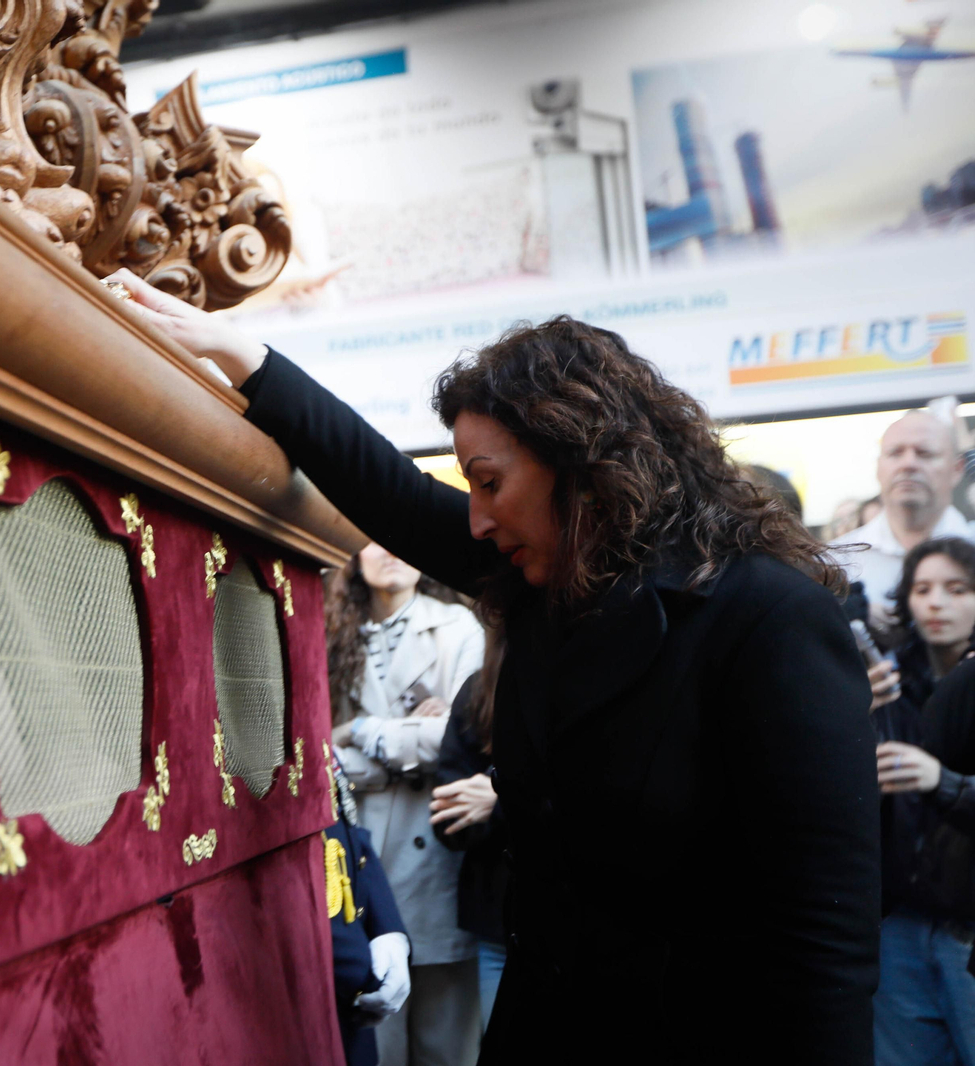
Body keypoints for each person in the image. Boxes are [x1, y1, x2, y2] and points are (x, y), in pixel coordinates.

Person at [109, 270, 879, 1066]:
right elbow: (390, 490)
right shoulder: (547, 582)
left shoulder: (770, 618)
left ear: (579, 463)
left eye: (488, 483)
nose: (476, 517)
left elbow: (824, 942)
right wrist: (247, 357)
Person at [325, 542, 484, 1066]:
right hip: (366, 857)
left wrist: (363, 731)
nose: (389, 550)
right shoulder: (331, 631)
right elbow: (322, 749)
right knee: (379, 1035)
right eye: (370, 536)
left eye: (398, 537)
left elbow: (463, 735)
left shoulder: (458, 627)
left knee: (446, 1042)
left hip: (435, 849)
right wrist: (410, 738)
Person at [871, 538, 975, 1065]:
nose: (937, 603)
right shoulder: (885, 678)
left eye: (958, 589)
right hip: (902, 920)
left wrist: (945, 780)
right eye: (923, 589)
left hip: (966, 926)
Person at [429, 624, 509, 1027]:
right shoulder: (480, 689)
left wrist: (501, 799)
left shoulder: (589, 672)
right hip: (499, 920)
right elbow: (448, 819)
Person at [833, 412, 975, 630]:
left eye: (925, 453)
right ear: (878, 467)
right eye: (895, 453)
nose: (909, 464)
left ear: (957, 469)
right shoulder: (836, 562)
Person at [324, 751, 413, 1066]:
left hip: (351, 982)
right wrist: (363, 976)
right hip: (318, 986)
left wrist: (388, 930)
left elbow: (349, 827)